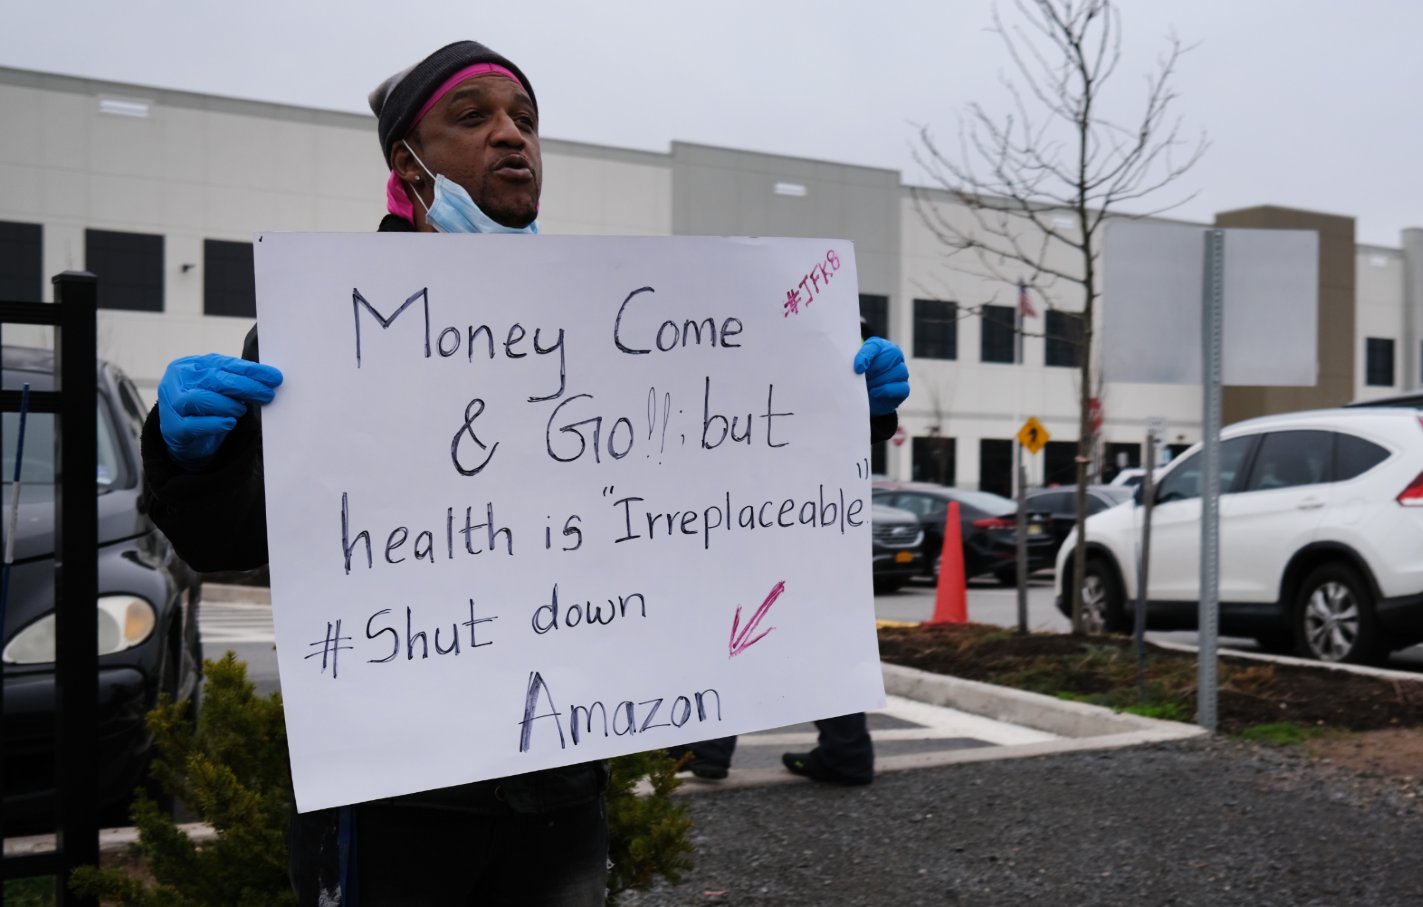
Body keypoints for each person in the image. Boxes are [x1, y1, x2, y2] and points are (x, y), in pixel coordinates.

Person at [141, 39, 909, 905]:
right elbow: (229, 537)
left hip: (560, 786)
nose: (513, 137)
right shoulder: (323, 327)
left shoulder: (607, 320)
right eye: (474, 118)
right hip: (393, 792)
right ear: (408, 159)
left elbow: (714, 488)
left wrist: (847, 403)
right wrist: (189, 453)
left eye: (527, 120)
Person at [671, 319, 908, 787]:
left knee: (735, 627)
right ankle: (843, 753)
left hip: (767, 516)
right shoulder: (796, 330)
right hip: (801, 522)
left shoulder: (772, 334)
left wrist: (877, 410)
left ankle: (711, 749)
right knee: (807, 635)